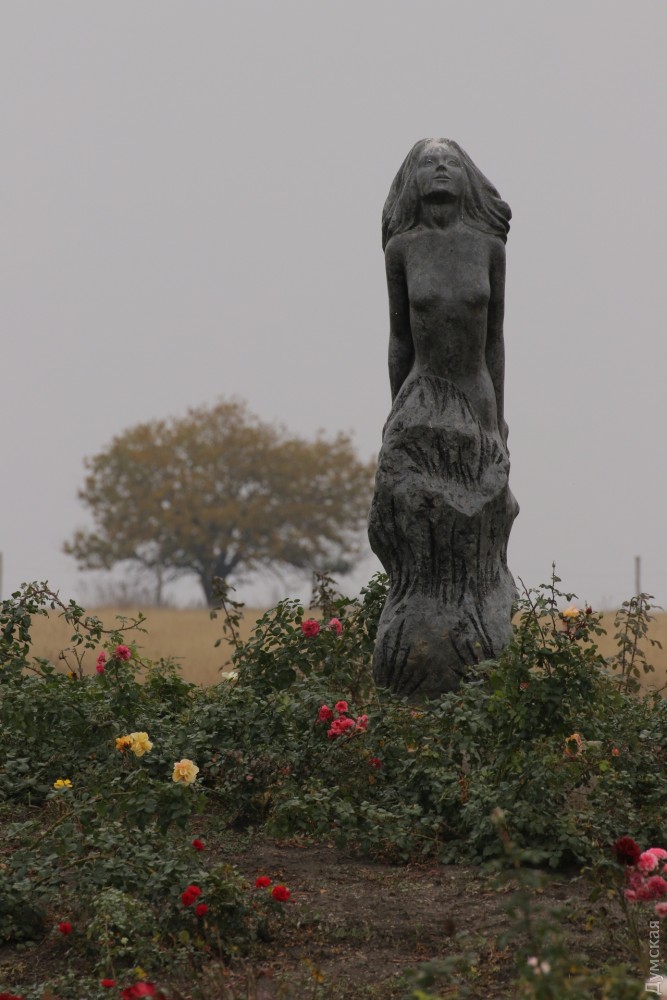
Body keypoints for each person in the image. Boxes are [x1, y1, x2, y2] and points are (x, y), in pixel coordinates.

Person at [368, 138, 518, 700]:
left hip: (475, 400)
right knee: (417, 529)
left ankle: (481, 636)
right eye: (428, 162)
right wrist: (394, 422)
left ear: (466, 177)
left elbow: (496, 341)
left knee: (481, 528)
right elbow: (399, 340)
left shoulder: (488, 248)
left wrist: (498, 421)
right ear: (413, 179)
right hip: (421, 401)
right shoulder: (401, 250)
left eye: (450, 161)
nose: (439, 168)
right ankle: (412, 644)